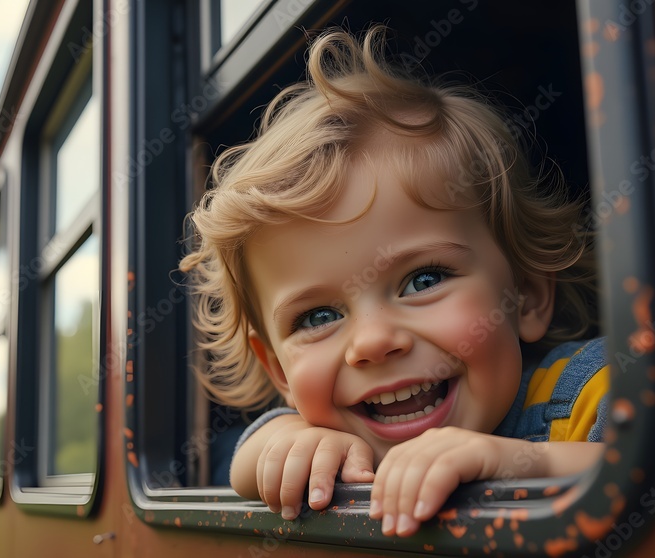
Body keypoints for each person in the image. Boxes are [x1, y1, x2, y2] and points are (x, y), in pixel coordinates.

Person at [178, 25, 608, 538]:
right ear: (280, 372)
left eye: (423, 280)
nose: (374, 341)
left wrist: (516, 463)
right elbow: (249, 461)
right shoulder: (329, 431)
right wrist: (293, 440)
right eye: (318, 317)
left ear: (528, 295)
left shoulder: (591, 391)